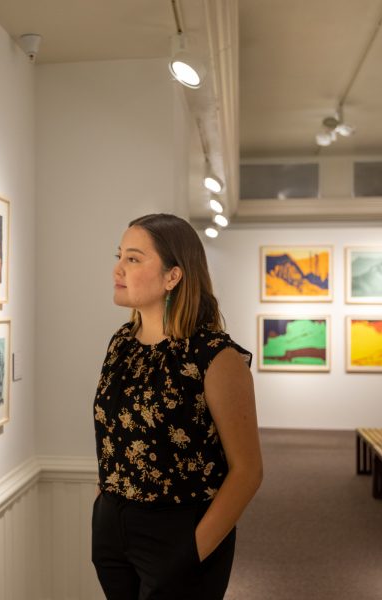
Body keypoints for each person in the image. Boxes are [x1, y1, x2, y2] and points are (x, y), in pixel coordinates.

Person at [91, 213, 263, 600]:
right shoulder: (122, 343)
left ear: (173, 276)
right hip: (113, 533)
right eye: (120, 256)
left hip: (180, 534)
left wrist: (192, 551)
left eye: (133, 259)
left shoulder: (215, 357)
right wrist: (105, 511)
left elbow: (248, 471)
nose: (118, 269)